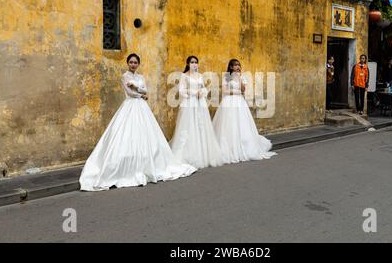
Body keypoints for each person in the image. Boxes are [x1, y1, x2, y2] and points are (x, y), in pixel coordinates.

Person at [79, 53, 197, 191]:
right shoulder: (125, 76)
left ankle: (148, 163)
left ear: (138, 64)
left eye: (135, 62)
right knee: (127, 134)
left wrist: (138, 89)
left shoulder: (140, 77)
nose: (133, 64)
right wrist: (140, 92)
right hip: (130, 106)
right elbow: (131, 94)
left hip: (141, 107)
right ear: (128, 63)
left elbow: (145, 90)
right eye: (131, 62)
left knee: (146, 134)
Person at [212, 59, 276, 163]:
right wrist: (235, 92)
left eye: (239, 65)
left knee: (242, 124)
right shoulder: (227, 77)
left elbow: (243, 90)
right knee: (229, 124)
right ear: (231, 67)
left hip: (240, 103)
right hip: (228, 102)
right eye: (235, 65)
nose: (238, 67)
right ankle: (230, 147)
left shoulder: (242, 77)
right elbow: (224, 91)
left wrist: (239, 78)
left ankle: (244, 145)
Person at [170, 56, 228, 169]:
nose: (194, 64)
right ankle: (190, 154)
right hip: (190, 104)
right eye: (192, 62)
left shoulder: (200, 75)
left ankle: (204, 154)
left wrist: (203, 92)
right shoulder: (184, 76)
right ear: (188, 63)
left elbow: (203, 88)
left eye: (196, 62)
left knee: (201, 127)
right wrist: (193, 93)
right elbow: (181, 91)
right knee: (190, 127)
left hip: (200, 103)